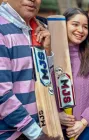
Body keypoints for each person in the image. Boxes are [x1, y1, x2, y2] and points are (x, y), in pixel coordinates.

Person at [0, 0, 57, 139]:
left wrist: (47, 52)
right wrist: (36, 133)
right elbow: (2, 94)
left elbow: (43, 82)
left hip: (36, 128)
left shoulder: (35, 28)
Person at [56, 8, 89, 140]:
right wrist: (55, 115)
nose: (81, 30)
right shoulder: (50, 57)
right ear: (63, 25)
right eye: (75, 24)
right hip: (54, 129)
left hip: (84, 130)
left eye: (85, 26)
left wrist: (83, 122)